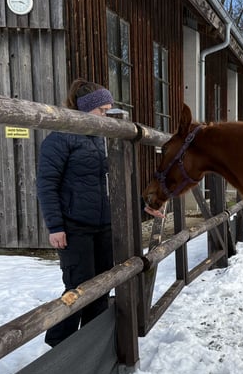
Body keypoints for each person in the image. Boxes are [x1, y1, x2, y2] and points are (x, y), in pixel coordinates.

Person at [36, 79, 163, 346]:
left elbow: (112, 183)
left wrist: (142, 206)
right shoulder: (59, 139)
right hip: (74, 227)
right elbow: (47, 185)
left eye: (108, 111)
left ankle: (93, 347)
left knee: (103, 285)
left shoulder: (100, 140)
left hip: (103, 226)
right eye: (102, 111)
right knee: (78, 288)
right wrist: (55, 227)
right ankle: (60, 346)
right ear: (85, 108)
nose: (106, 116)